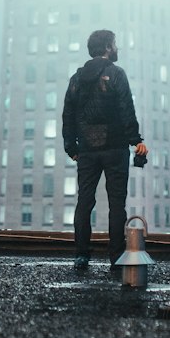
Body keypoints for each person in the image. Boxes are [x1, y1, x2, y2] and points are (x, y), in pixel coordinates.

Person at [62, 29, 148, 273]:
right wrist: (135, 140)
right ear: (109, 47)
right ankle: (116, 257)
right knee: (116, 204)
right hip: (115, 148)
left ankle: (81, 256)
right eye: (115, 44)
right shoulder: (116, 74)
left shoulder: (76, 79)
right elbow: (125, 109)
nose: (117, 48)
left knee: (84, 202)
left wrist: (71, 147)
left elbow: (67, 114)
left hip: (87, 150)